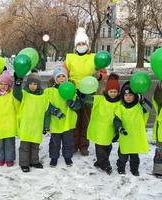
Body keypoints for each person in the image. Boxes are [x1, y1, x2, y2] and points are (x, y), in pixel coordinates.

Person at [63, 27, 107, 156]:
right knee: (74, 120)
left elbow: (104, 73)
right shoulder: (69, 58)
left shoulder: (94, 58)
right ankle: (73, 145)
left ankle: (84, 146)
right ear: (75, 46)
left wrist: (99, 76)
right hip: (73, 92)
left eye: (83, 44)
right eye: (79, 44)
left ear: (87, 45)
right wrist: (65, 81)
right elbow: (63, 72)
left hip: (89, 92)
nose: (81, 46)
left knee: (86, 120)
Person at [45, 66, 81, 167]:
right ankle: (54, 157)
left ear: (66, 77)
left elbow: (78, 105)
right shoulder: (50, 91)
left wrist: (73, 104)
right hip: (55, 122)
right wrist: (54, 111)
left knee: (68, 142)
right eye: (59, 77)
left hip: (68, 122)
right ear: (55, 79)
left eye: (63, 76)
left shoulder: (71, 90)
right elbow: (45, 104)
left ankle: (67, 157)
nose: (61, 78)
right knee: (54, 143)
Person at [113, 82, 152, 176]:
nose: (128, 97)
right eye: (126, 95)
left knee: (135, 156)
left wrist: (143, 99)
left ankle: (134, 169)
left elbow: (149, 107)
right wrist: (120, 128)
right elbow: (116, 120)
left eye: (130, 95)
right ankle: (121, 167)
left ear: (134, 96)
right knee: (122, 155)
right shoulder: (121, 107)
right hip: (125, 136)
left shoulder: (139, 107)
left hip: (135, 137)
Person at [13, 73, 49, 172]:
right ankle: (24, 163)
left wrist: (46, 125)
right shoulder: (24, 94)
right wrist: (17, 85)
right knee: (24, 146)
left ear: (38, 85)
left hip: (37, 125)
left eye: (35, 84)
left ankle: (34, 161)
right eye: (31, 84)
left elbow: (46, 111)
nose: (33, 86)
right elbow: (16, 94)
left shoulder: (43, 97)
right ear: (27, 84)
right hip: (26, 124)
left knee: (35, 146)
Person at [87, 73, 121, 175]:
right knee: (100, 147)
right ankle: (106, 164)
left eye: (115, 92)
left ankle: (99, 162)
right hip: (99, 128)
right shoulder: (100, 99)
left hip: (109, 129)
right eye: (111, 91)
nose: (113, 94)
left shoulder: (119, 103)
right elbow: (89, 100)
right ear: (107, 91)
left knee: (108, 147)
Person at [0, 71, 19, 167]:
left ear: (9, 85)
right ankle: (0, 158)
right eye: (1, 84)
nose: (3, 86)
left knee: (9, 144)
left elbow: (17, 106)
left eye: (5, 84)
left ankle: (9, 159)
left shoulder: (12, 95)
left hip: (9, 124)